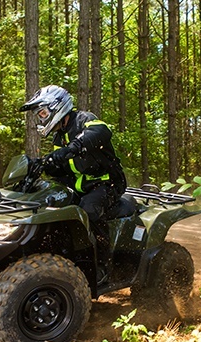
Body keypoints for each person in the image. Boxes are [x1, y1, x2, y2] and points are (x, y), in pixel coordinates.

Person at [19, 85, 127, 276]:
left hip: (106, 183)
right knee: (49, 203)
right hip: (79, 184)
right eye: (39, 115)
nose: (41, 118)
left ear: (57, 107)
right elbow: (63, 164)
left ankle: (102, 265)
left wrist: (74, 146)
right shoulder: (59, 136)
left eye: (42, 112)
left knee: (88, 211)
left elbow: (102, 131)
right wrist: (44, 165)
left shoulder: (85, 119)